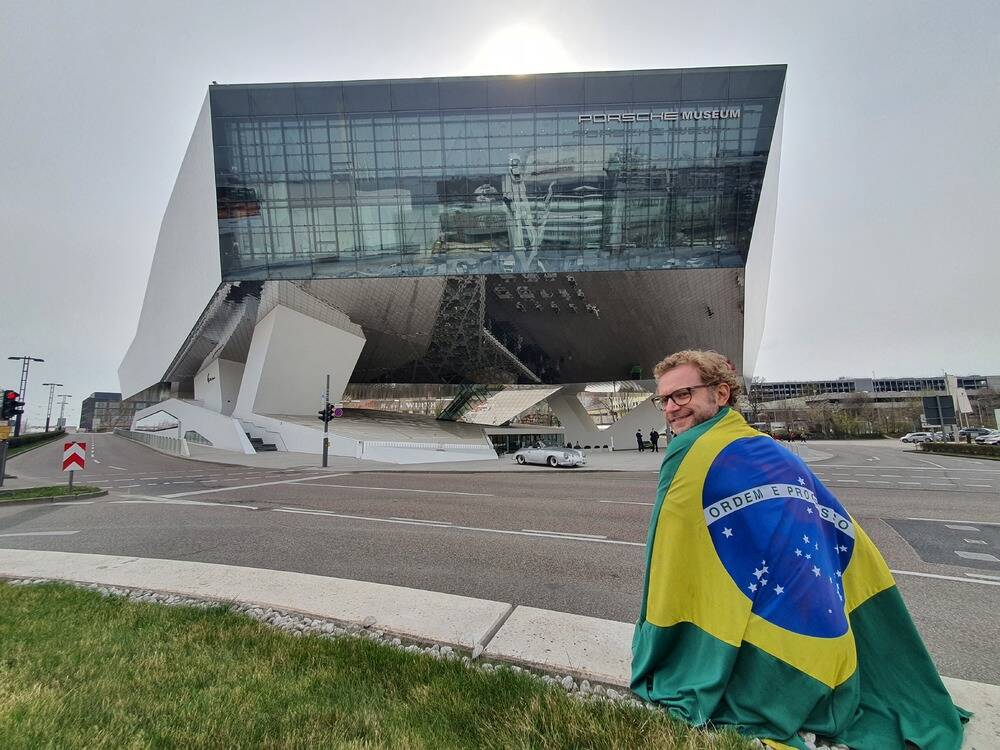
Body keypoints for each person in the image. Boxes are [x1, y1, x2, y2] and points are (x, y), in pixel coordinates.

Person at [632, 349, 966, 750]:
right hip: (821, 637)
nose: (670, 408)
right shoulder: (764, 445)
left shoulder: (696, 452)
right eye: (664, 399)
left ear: (721, 394)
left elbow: (671, 554)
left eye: (682, 395)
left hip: (771, 650)